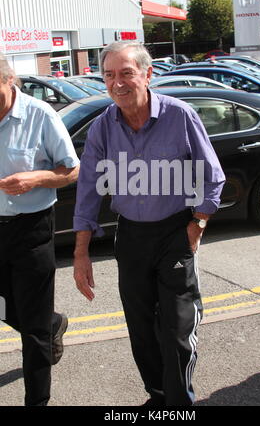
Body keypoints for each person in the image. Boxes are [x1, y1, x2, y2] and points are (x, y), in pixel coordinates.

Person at [73, 42, 225, 406]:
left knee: (176, 328)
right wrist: (80, 253)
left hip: (175, 232)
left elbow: (212, 176)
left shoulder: (180, 115)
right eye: (109, 75)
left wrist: (198, 224)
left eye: (126, 73)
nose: (117, 83)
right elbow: (88, 192)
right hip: (131, 238)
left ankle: (179, 403)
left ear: (147, 74)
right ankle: (158, 396)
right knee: (141, 329)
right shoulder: (101, 129)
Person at [0, 54, 80, 406]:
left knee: (31, 331)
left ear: (9, 79)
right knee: (6, 308)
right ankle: (53, 324)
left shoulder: (40, 115)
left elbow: (72, 170)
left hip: (31, 229)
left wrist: (36, 177)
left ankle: (37, 401)